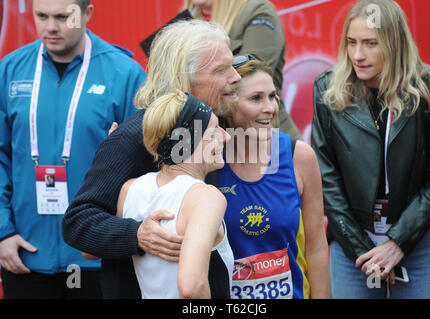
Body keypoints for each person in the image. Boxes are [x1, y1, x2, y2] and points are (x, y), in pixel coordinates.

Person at [62, 19, 241, 298]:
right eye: (221, 70)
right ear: (183, 78)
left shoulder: (211, 125)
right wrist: (136, 235)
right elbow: (78, 223)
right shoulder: (132, 136)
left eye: (232, 64)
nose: (236, 76)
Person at [0, 0, 145, 298]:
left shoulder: (125, 74)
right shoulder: (10, 71)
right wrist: (3, 231)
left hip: (98, 257)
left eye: (63, 17)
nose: (50, 27)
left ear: (87, 13)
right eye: (42, 16)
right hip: (26, 255)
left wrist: (118, 236)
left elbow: (143, 166)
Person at [311, 0, 430, 298]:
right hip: (353, 243)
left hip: (417, 240)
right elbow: (326, 179)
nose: (358, 55)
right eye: (351, 42)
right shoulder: (327, 89)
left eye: (370, 43)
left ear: (394, 43)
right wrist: (363, 251)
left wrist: (398, 242)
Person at [217, 56, 330, 299]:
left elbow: (317, 247)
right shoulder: (208, 161)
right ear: (227, 104)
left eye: (272, 96)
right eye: (256, 98)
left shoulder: (298, 156)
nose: (270, 108)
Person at [116, 91, 233, 299]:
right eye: (214, 130)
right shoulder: (206, 197)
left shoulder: (129, 190)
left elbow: (91, 253)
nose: (226, 136)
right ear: (188, 141)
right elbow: (191, 286)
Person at [183, 0, 302, 142]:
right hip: (209, 136)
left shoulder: (257, 10)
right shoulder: (183, 22)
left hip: (265, 139)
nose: (231, 75)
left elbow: (250, 79)